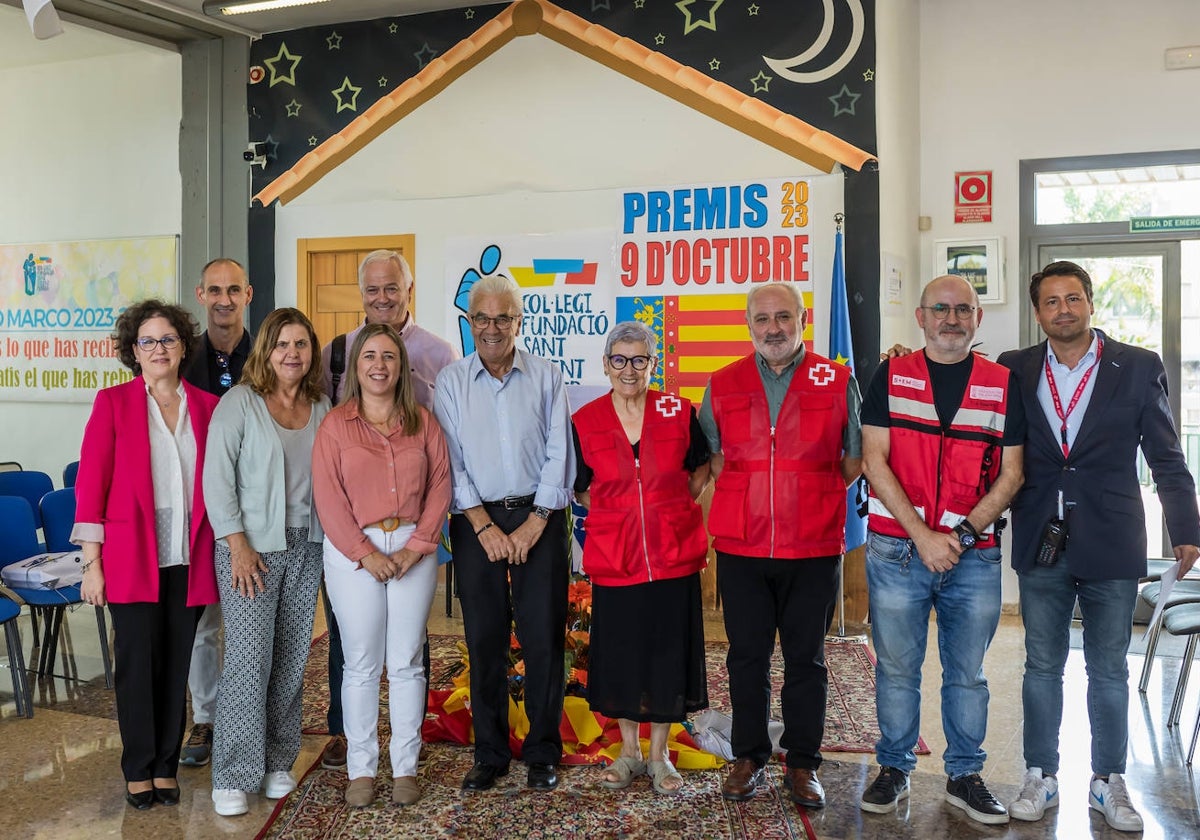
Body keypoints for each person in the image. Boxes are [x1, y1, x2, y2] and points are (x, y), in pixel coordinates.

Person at [998, 261, 1199, 832]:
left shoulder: (1136, 367)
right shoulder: (1014, 368)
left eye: (1074, 298)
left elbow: (1165, 453)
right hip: (1041, 537)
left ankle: (1109, 780)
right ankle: (1041, 773)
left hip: (1112, 538)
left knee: (1108, 667)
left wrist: (1185, 527)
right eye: (1052, 301)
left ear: (1090, 303)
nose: (1064, 309)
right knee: (1041, 665)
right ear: (1038, 312)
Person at [859, 275, 1024, 825]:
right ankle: (895, 768)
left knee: (968, 673)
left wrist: (960, 536)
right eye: (941, 309)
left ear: (978, 318)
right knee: (898, 669)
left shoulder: (1003, 383)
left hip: (971, 557)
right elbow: (874, 460)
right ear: (921, 317)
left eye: (963, 310)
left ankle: (965, 775)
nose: (952, 319)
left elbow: (1012, 473)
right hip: (896, 550)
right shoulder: (891, 374)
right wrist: (922, 536)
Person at [698, 282, 862, 809]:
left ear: (803, 319)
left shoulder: (836, 380)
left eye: (784, 317)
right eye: (763, 318)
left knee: (806, 660)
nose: (774, 328)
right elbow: (715, 458)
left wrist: (807, 495)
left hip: (812, 547)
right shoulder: (722, 384)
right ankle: (748, 757)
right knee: (745, 657)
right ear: (749, 324)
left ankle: (802, 763)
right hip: (743, 547)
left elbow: (854, 459)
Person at [74, 299, 220, 810]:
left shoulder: (206, 406)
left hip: (188, 554)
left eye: (168, 340)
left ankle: (165, 764)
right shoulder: (113, 404)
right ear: (133, 351)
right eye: (148, 341)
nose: (159, 349)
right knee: (138, 665)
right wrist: (92, 565)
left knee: (176, 665)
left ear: (183, 348)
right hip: (131, 558)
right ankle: (138, 767)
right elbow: (91, 489)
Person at [316, 248, 457, 771]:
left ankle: (405, 757)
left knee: (406, 655)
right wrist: (360, 550)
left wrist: (422, 541)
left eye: (391, 288)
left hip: (414, 537)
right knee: (354, 653)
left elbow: (443, 461)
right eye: (372, 289)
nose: (382, 297)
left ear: (408, 291)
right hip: (354, 539)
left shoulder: (439, 355)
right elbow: (327, 482)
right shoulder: (336, 355)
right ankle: (352, 748)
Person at [433, 274, 574, 792]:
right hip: (476, 524)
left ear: (519, 321)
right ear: (469, 323)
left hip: (541, 520)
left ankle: (542, 750)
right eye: (481, 318)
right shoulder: (450, 382)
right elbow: (451, 459)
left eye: (503, 318)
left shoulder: (547, 376)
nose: (491, 328)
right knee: (484, 641)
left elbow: (560, 452)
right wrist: (483, 525)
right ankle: (489, 753)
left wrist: (536, 521)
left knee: (543, 640)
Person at [572, 320, 711, 795]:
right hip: (616, 557)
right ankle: (628, 753)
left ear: (654, 365)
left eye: (639, 360)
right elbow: (580, 487)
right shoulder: (585, 420)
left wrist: (666, 508)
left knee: (667, 655)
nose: (629, 370)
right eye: (619, 359)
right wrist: (619, 513)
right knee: (625, 654)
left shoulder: (678, 410)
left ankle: (659, 757)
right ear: (606, 365)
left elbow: (700, 471)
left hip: (672, 555)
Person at [202, 308, 330, 817]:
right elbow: (217, 481)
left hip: (308, 545)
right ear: (266, 351)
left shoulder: (322, 406)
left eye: (301, 345)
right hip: (249, 548)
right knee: (249, 661)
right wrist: (236, 543)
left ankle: (279, 760)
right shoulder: (239, 404)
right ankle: (233, 773)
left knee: (293, 657)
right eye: (282, 345)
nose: (292, 354)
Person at [180, 256, 254, 768]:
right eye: (214, 290)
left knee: (254, 625)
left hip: (260, 512)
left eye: (233, 289)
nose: (224, 299)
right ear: (200, 295)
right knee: (205, 623)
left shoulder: (275, 355)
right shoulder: (180, 362)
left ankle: (253, 718)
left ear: (248, 294)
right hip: (199, 512)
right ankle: (204, 719)